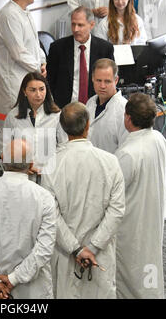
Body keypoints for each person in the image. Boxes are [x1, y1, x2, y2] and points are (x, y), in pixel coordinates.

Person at [41, 102, 125, 298]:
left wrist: (77, 249)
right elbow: (117, 210)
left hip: (66, 254)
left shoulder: (52, 165)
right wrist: (93, 247)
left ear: (62, 128)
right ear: (88, 125)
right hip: (99, 254)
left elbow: (51, 216)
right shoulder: (110, 162)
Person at [0, 139, 56, 299]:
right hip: (32, 291)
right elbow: (44, 249)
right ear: (31, 165)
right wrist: (14, 279)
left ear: (2, 159)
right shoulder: (44, 198)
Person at [114, 93, 166, 299]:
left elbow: (113, 194)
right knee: (150, 270)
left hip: (131, 225)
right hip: (153, 218)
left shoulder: (128, 152)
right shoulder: (159, 139)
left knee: (131, 277)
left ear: (128, 118)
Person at [0, 0, 47, 131]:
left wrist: (43, 61)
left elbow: (33, 44)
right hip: (11, 85)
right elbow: (19, 52)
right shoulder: (9, 15)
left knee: (24, 129)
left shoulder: (24, 12)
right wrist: (38, 68)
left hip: (26, 80)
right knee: (10, 132)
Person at [3, 72, 68, 182]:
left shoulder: (56, 116)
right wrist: (21, 167)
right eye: (33, 90)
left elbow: (64, 146)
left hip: (50, 176)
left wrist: (49, 166)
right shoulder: (13, 116)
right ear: (24, 91)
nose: (38, 94)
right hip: (21, 176)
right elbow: (5, 147)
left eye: (42, 89)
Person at [47, 6, 114, 109]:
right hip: (65, 108)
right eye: (73, 24)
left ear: (91, 25)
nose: (75, 29)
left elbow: (109, 80)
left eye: (80, 25)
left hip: (94, 107)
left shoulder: (105, 49)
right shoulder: (57, 48)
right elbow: (51, 80)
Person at [86, 58, 128, 153]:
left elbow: (125, 150)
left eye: (107, 81)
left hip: (111, 166)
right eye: (98, 80)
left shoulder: (124, 110)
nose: (102, 86)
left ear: (116, 80)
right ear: (92, 78)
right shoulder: (90, 103)